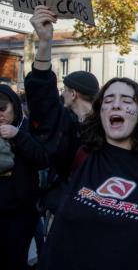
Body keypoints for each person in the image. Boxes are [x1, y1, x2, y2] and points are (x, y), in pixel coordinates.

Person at [38, 77, 138, 269]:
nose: (116, 105)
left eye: (127, 101)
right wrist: (43, 55)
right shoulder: (82, 154)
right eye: (108, 100)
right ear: (100, 112)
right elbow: (44, 112)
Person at [25, 5, 99, 219]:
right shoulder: (65, 122)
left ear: (73, 93)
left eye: (64, 90)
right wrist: (45, 42)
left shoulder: (107, 126)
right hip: (67, 209)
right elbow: (41, 95)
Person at [0, 85, 49, 270]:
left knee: (15, 260)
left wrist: (18, 136)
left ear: (14, 106)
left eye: (3, 109)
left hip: (21, 212)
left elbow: (43, 159)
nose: (0, 115)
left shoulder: (28, 127)